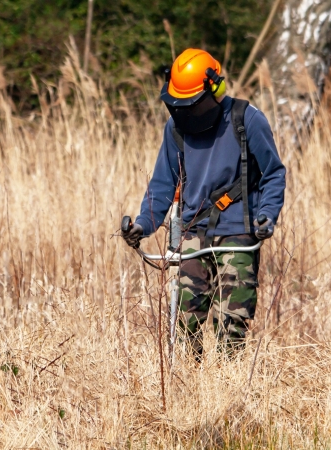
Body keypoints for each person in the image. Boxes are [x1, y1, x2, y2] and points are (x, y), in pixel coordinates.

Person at [122, 48, 286, 355]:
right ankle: (187, 392)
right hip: (191, 234)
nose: (186, 113)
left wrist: (267, 215)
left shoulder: (246, 119)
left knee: (232, 326)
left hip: (238, 234)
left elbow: (273, 173)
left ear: (216, 89)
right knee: (184, 324)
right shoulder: (175, 130)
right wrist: (143, 225)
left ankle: (228, 392)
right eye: (180, 106)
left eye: (192, 105)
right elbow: (161, 186)